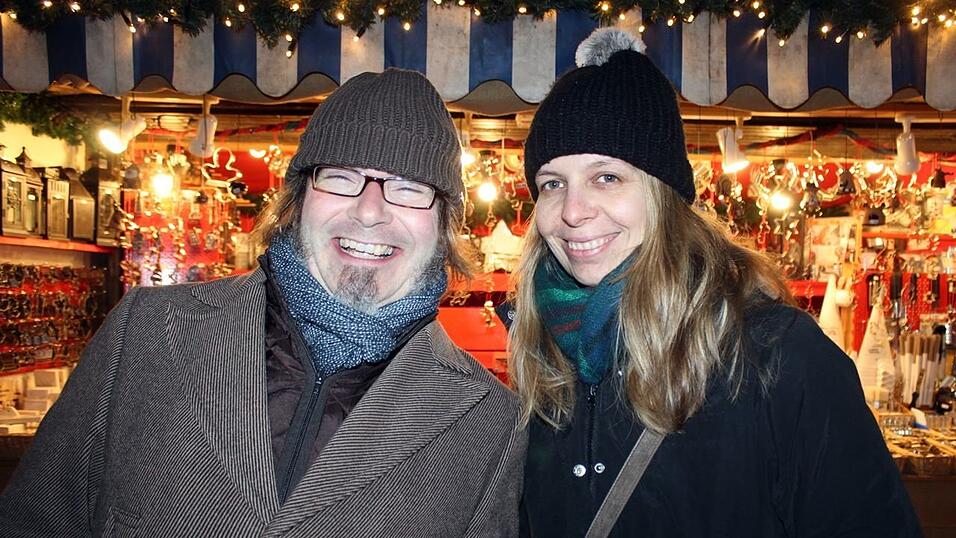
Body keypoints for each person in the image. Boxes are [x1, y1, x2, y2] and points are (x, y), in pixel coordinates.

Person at [0, 68, 526, 537]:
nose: (370, 211)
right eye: (340, 176)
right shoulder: (145, 335)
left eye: (409, 188)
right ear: (297, 200)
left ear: (444, 224)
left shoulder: (489, 425)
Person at [508, 28, 922, 537]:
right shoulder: (540, 354)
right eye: (552, 183)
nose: (572, 211)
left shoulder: (778, 356)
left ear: (664, 194)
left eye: (607, 177)